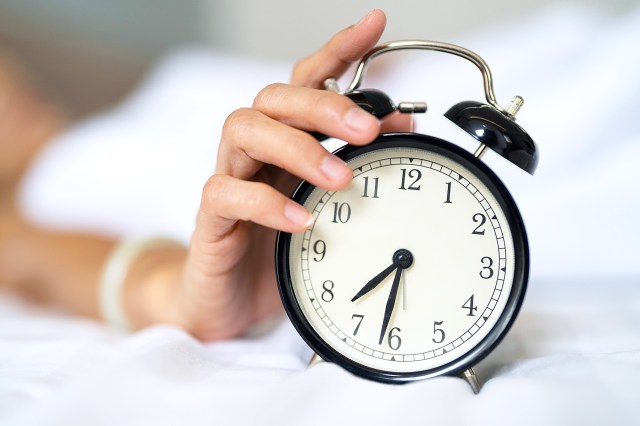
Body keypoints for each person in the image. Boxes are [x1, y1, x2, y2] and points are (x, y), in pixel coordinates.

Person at [0, 10, 412, 340]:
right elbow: (51, 267)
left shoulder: (161, 82)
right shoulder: (29, 207)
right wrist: (173, 295)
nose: (7, 89)